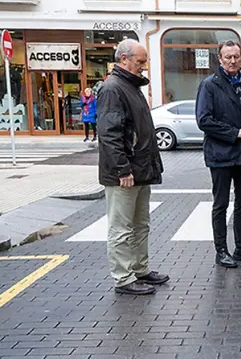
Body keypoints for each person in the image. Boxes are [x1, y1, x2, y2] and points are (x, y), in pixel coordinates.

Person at [97, 39, 167, 295]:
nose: (143, 67)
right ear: (124, 59)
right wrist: (122, 170)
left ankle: (140, 269)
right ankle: (124, 278)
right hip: (125, 173)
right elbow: (109, 134)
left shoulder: (129, 86)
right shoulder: (113, 88)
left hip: (139, 169)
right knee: (122, 227)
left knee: (140, 224)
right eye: (140, 62)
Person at [196, 40, 241, 269]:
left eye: (237, 56)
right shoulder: (209, 85)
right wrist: (236, 133)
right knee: (221, 204)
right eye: (228, 57)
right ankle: (221, 250)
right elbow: (204, 121)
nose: (233, 61)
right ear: (220, 59)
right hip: (221, 155)